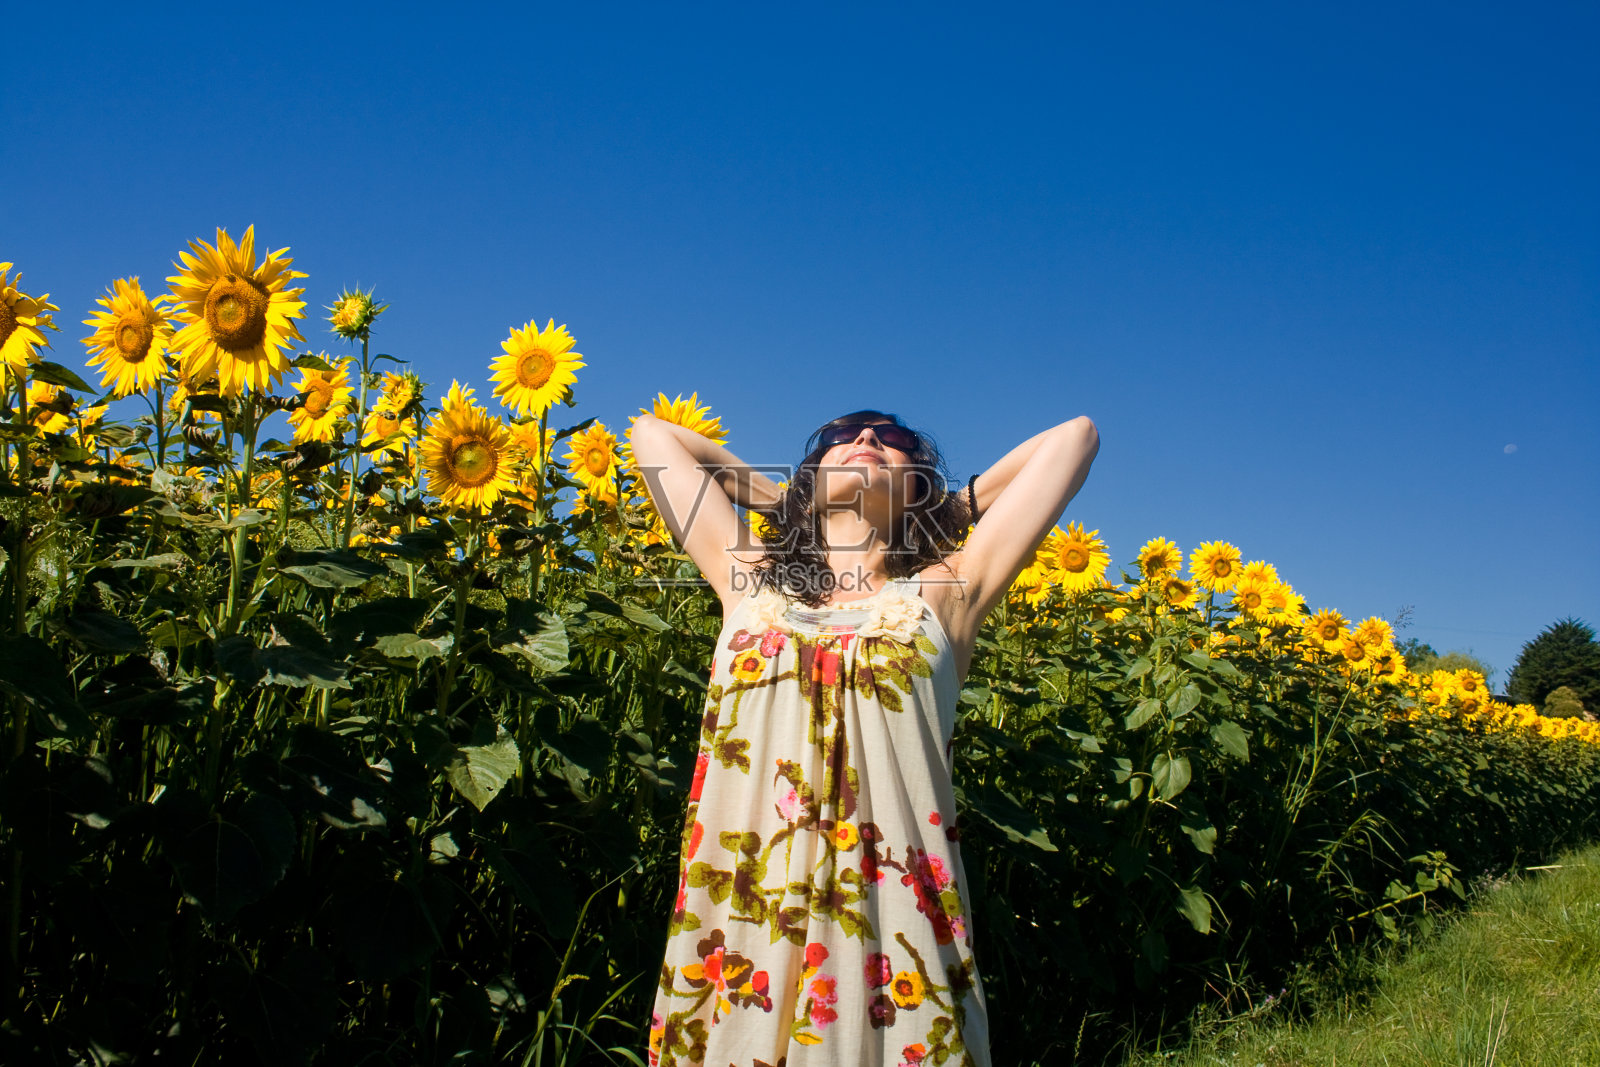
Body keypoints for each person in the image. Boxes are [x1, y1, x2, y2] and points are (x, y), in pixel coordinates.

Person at [629, 408, 1100, 1067]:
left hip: (893, 924)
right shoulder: (748, 579)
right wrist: (792, 502)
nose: (867, 439)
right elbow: (653, 437)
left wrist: (943, 512)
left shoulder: (945, 592)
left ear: (918, 485)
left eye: (895, 441)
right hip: (744, 920)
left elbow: (1075, 437)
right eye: (840, 438)